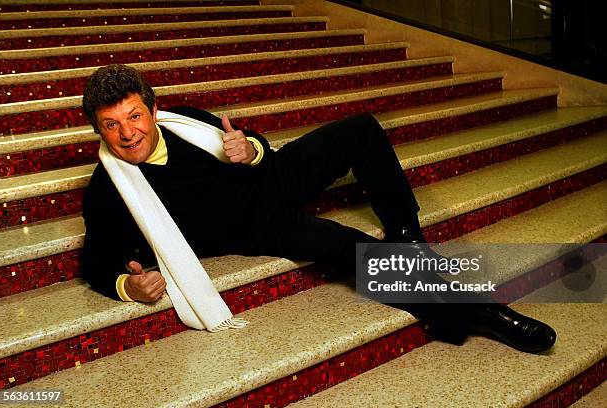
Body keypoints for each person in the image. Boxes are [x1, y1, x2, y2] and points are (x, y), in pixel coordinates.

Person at [81, 64, 556, 353]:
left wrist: (252, 149)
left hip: (269, 179)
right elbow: (95, 262)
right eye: (112, 125)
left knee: (361, 129)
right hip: (256, 225)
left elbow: (254, 144)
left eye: (134, 116)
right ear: (99, 132)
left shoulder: (188, 124)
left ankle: (410, 237)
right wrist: (128, 285)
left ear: (152, 109)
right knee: (349, 246)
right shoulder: (109, 190)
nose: (128, 134)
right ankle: (483, 313)